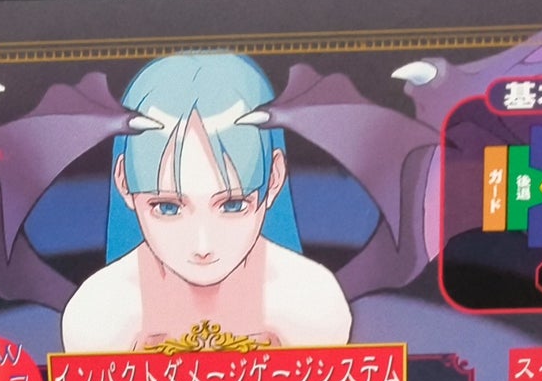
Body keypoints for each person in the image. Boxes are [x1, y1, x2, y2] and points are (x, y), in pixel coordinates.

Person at [60, 53, 351, 351]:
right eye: (167, 207)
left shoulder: (312, 303)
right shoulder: (100, 313)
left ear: (275, 177)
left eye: (233, 205)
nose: (203, 246)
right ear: (123, 180)